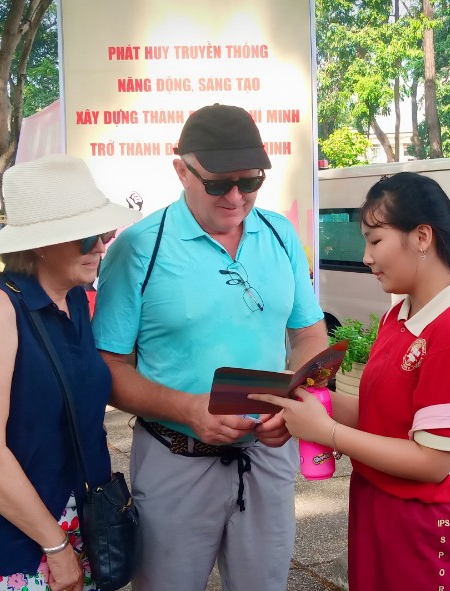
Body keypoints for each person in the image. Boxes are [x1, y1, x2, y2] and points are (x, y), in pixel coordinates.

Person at [92, 103, 327, 591]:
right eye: (219, 183)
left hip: (266, 458)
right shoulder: (138, 248)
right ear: (181, 169)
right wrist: (187, 408)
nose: (237, 196)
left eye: (251, 181)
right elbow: (108, 366)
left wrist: (294, 402)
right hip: (175, 458)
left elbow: (307, 334)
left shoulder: (281, 234)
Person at [251, 172, 450, 591]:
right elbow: (383, 414)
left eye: (375, 240)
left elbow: (433, 462)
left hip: (425, 526)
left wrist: (326, 432)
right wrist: (305, 401)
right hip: (380, 508)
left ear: (422, 236)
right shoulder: (398, 315)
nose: (366, 256)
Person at [0, 154, 141, 591]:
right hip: (8, 543)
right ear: (42, 243)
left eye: (104, 233)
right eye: (88, 237)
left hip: (73, 525)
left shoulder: (73, 303)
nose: (102, 246)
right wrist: (55, 547)